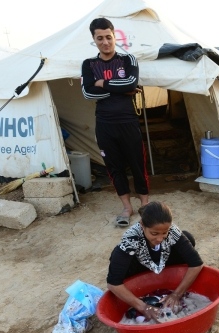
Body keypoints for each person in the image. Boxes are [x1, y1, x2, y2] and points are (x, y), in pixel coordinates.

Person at [81, 17, 149, 227]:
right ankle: (127, 207)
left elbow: (132, 82)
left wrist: (102, 83)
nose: (105, 42)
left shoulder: (128, 60)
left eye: (108, 37)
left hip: (128, 122)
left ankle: (145, 204)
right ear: (94, 39)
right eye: (99, 38)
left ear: (114, 36)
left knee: (138, 163)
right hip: (105, 124)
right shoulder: (89, 64)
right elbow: (87, 93)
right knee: (114, 167)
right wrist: (120, 89)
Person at [106, 201, 204, 322]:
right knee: (117, 255)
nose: (159, 238)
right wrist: (143, 307)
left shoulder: (172, 231)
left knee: (188, 238)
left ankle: (168, 275)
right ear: (142, 225)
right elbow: (113, 283)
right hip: (139, 269)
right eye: (154, 233)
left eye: (164, 233)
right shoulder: (131, 238)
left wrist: (176, 294)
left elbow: (196, 264)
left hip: (164, 262)